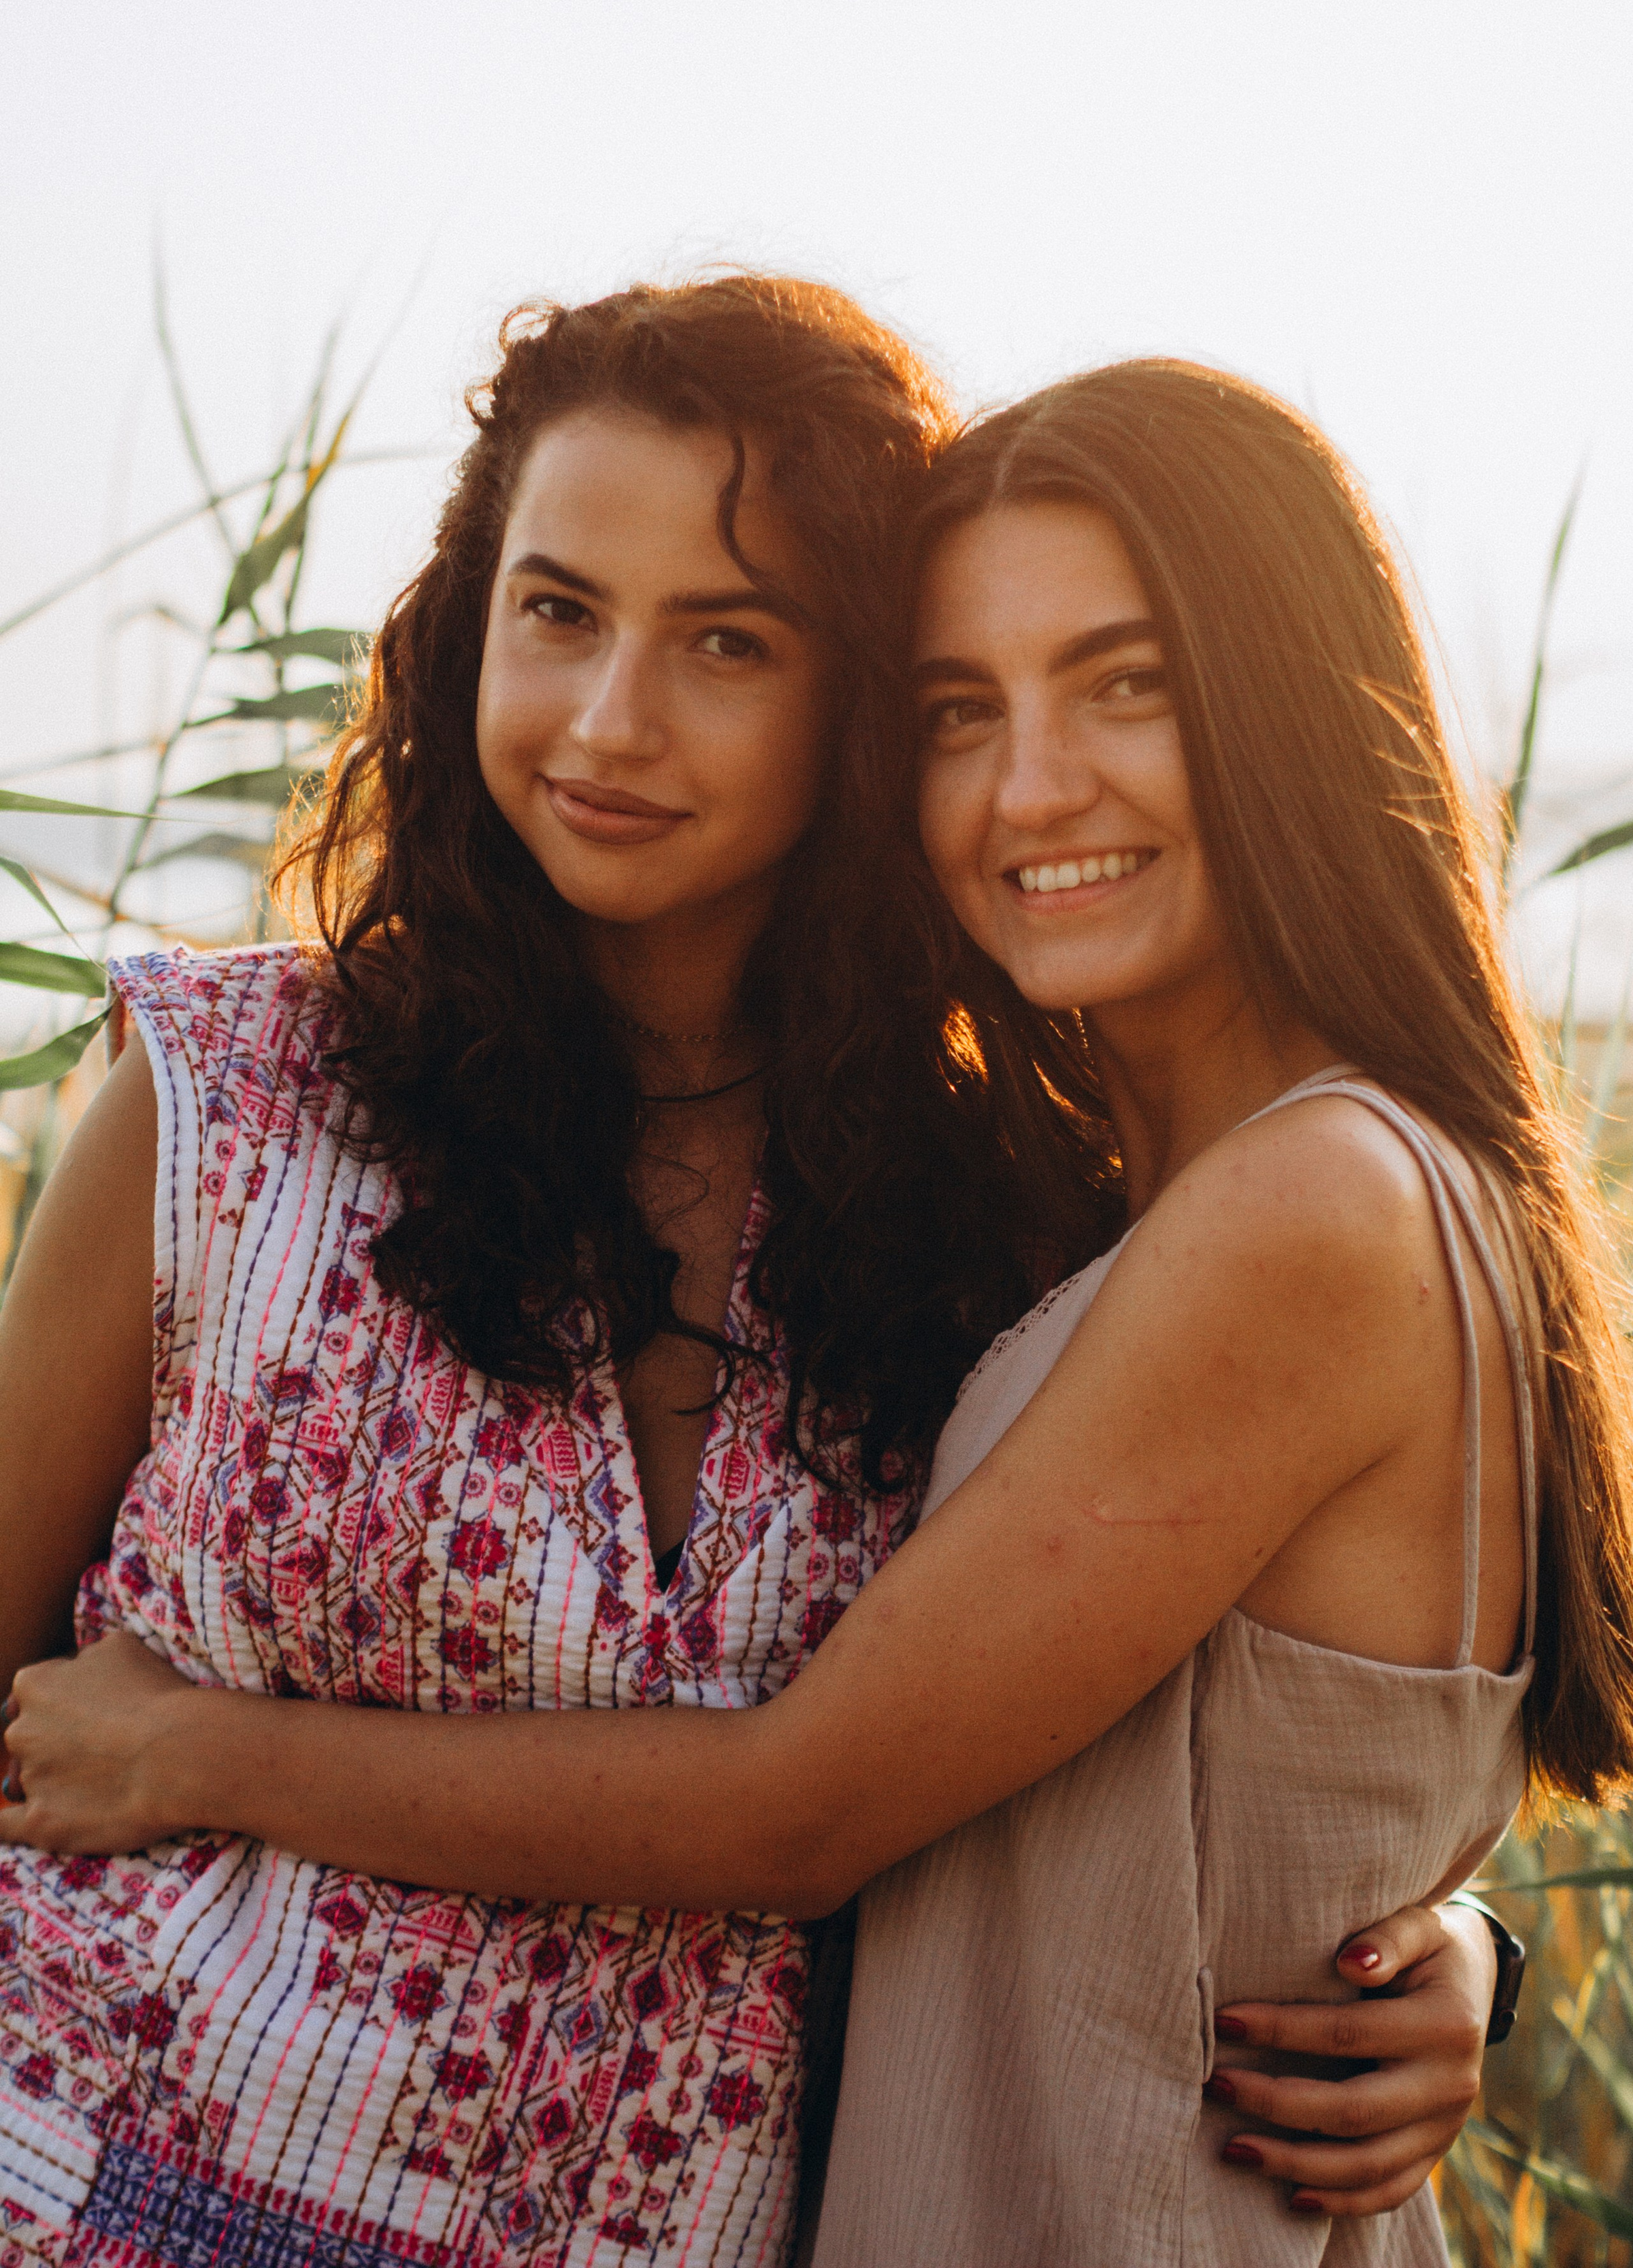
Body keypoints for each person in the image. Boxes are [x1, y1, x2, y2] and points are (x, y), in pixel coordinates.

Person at [0, 328, 1528, 2265]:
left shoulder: (1009, 1223)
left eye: (727, 640)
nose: (612, 720)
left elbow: (1162, 1739)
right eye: (558, 611)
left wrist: (1452, 1943)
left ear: (856, 710)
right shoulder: (221, 1104)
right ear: (472, 624)